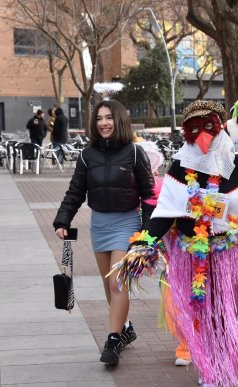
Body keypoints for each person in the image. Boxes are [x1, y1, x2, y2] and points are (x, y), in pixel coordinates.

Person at [115, 100, 238, 387]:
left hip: (230, 255)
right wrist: (144, 243)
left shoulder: (236, 164)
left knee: (223, 313)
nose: (203, 134)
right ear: (186, 133)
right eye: (195, 128)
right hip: (191, 255)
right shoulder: (180, 165)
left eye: (209, 126)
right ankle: (210, 375)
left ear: (219, 127)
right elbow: (165, 213)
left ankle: (218, 366)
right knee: (201, 314)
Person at [53, 100, 156, 366]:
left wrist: (147, 232)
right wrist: (62, 220)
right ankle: (126, 328)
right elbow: (76, 191)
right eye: (99, 118)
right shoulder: (88, 155)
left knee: (117, 282)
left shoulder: (135, 153)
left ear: (119, 120)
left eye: (109, 118)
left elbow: (149, 195)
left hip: (127, 223)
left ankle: (113, 340)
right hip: (99, 224)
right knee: (107, 285)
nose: (103, 123)